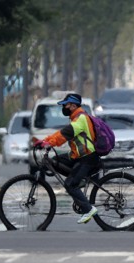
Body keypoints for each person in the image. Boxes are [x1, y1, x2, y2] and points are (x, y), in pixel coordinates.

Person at [34, 93, 100, 224]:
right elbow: (60, 133)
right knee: (54, 160)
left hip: (87, 158)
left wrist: (49, 143)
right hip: (77, 156)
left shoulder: (81, 119)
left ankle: (88, 209)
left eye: (65, 105)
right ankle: (78, 180)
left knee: (69, 184)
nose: (63, 107)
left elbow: (64, 134)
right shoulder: (76, 118)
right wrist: (45, 141)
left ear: (73, 105)